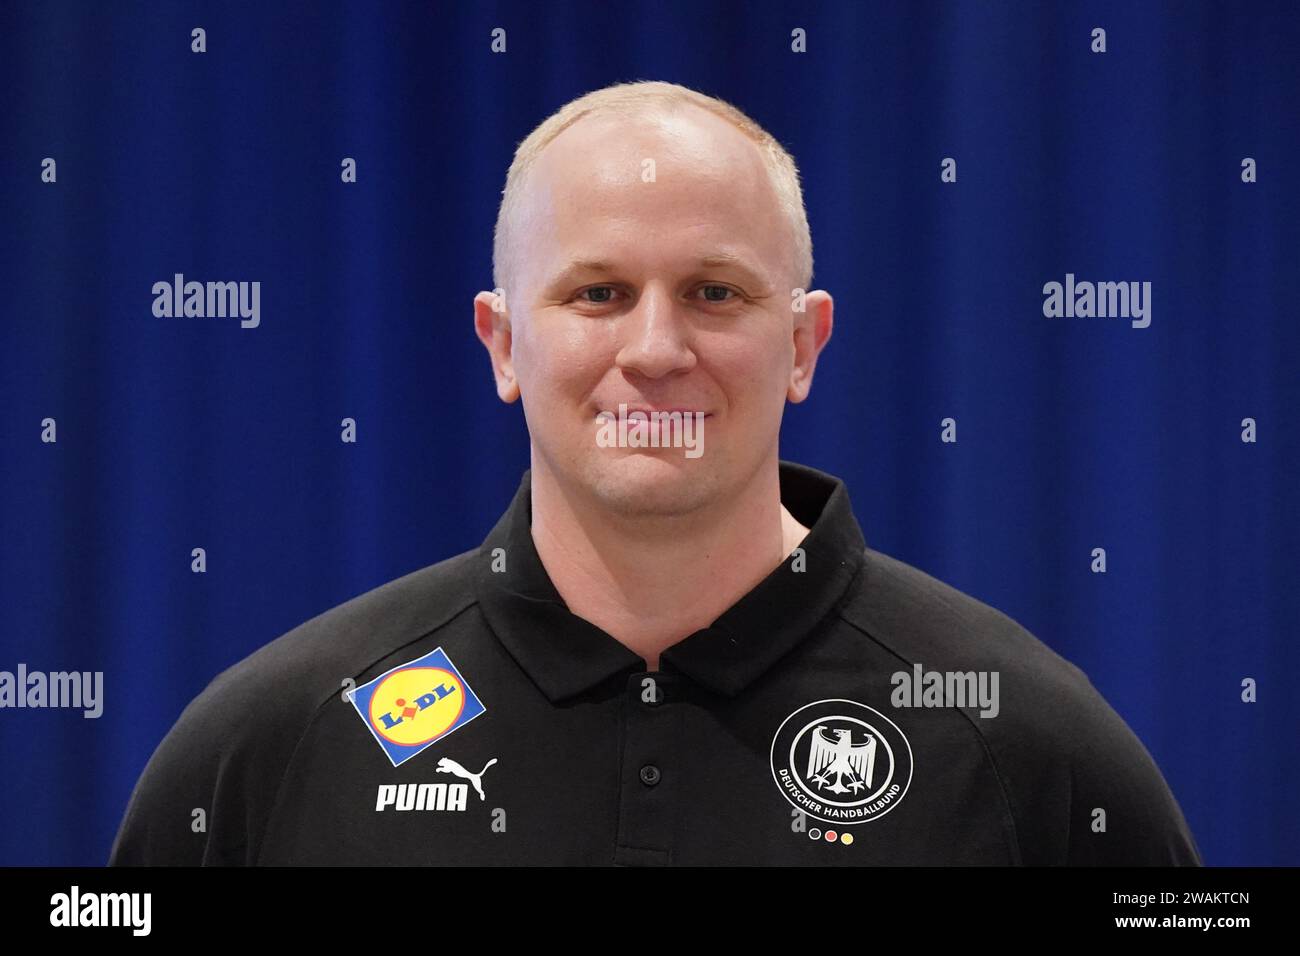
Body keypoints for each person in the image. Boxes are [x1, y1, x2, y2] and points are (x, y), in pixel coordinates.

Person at [109, 80, 1201, 866]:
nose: (653, 348)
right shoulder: (271, 746)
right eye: (595, 293)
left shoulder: (1028, 744)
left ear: (805, 343)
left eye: (714, 292)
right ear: (499, 343)